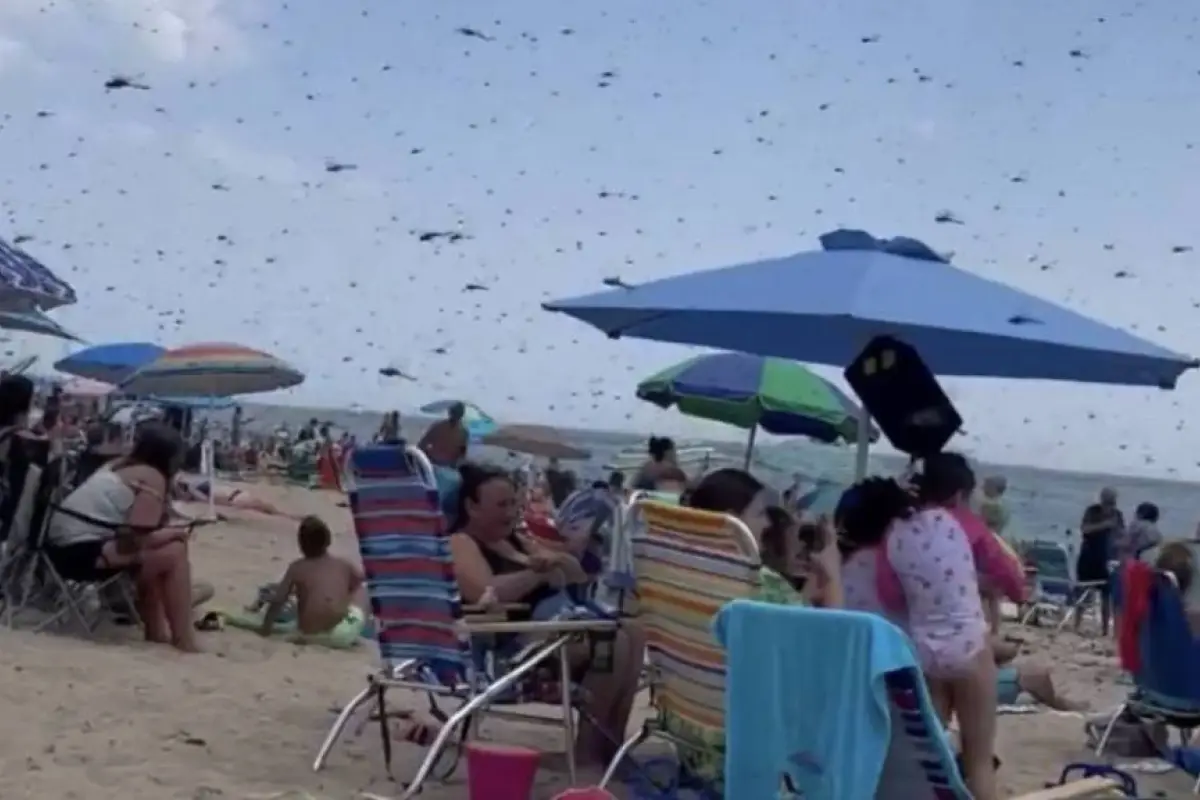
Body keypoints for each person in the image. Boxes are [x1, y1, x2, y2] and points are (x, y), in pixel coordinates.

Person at [447, 463, 644, 767]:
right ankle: (588, 752)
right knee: (612, 642)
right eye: (501, 505)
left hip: (548, 634)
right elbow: (486, 594)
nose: (512, 512)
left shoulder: (514, 540)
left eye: (514, 503)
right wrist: (538, 573)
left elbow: (579, 577)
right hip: (507, 650)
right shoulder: (461, 543)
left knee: (634, 631)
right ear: (472, 507)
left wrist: (559, 559)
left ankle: (611, 745)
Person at [837, 476, 998, 800]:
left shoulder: (843, 578)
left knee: (928, 758)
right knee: (979, 760)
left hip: (891, 708)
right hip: (954, 661)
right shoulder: (905, 550)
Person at [45, 422, 199, 651]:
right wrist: (175, 533)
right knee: (173, 552)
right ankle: (183, 639)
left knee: (166, 552)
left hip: (57, 549)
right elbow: (135, 540)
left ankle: (158, 630)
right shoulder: (153, 477)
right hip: (79, 555)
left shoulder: (117, 465)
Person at [686, 467, 841, 608]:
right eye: (759, 514)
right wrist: (833, 573)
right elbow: (828, 632)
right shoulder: (759, 582)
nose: (767, 523)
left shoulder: (681, 568)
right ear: (732, 520)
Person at [258, 515, 365, 641]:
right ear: (328, 541)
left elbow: (278, 600)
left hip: (309, 630)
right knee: (361, 592)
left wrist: (265, 628)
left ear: (301, 544)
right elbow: (360, 582)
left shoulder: (297, 568)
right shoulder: (343, 564)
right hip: (341, 631)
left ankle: (311, 638)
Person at [1078, 487, 1123, 636]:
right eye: (1107, 501)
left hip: (1107, 558)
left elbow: (1121, 535)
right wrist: (1104, 526)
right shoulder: (1092, 511)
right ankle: (1077, 622)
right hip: (1089, 556)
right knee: (1083, 590)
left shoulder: (1118, 515)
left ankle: (1105, 629)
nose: (1109, 505)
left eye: (1111, 502)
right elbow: (1085, 529)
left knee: (1107, 595)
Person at [419, 402, 469, 467]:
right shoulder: (463, 431)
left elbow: (422, 444)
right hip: (437, 463)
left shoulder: (439, 426)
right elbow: (422, 444)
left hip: (440, 464)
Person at [977, 475, 1010, 540]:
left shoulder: (993, 507)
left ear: (994, 488)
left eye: (987, 485)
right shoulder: (1004, 506)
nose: (983, 488)